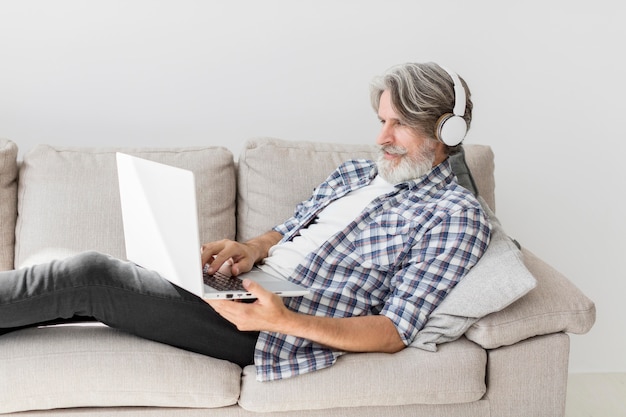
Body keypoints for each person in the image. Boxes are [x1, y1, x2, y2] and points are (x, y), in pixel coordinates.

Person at [0, 62, 491, 382]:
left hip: (270, 330)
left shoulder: (454, 216)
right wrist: (252, 249)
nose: (382, 136)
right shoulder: (358, 173)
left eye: (399, 124)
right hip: (246, 290)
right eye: (382, 120)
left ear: (446, 129)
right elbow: (289, 229)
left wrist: (283, 319)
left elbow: (393, 331)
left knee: (88, 275)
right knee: (80, 283)